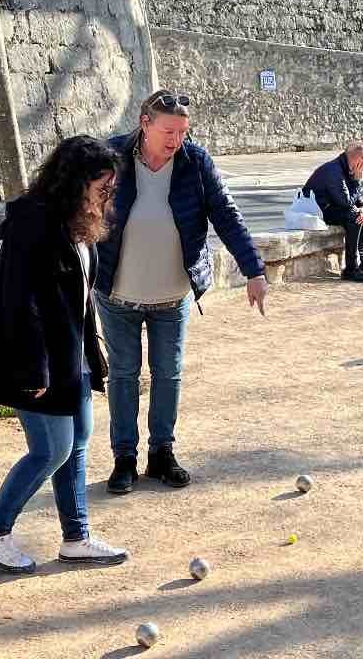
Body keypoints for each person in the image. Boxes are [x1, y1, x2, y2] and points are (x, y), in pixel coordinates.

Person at [0, 136, 129, 573]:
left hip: (68, 357)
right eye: (101, 187)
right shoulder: (33, 224)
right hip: (34, 360)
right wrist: (33, 370)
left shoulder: (77, 223)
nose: (106, 196)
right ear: (73, 182)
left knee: (76, 445)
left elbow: (79, 297)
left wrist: (90, 358)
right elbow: (21, 303)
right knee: (50, 450)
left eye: (109, 188)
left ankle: (77, 538)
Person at [97, 90, 269, 494]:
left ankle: (161, 454)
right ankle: (124, 458)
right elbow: (81, 210)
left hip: (172, 295)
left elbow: (226, 215)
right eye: (169, 131)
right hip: (116, 292)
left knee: (168, 375)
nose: (177, 140)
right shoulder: (111, 158)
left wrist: (254, 270)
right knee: (122, 375)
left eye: (183, 131)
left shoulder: (195, 162)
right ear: (145, 123)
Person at [302, 141, 363, 282]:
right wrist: (357, 180)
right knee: (354, 216)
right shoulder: (333, 170)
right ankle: (351, 269)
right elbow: (345, 202)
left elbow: (355, 199)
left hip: (335, 207)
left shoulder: (345, 167)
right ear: (357, 158)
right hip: (318, 210)